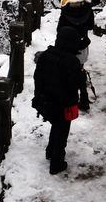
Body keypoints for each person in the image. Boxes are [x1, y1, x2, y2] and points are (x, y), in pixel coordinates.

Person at [32, 26, 86, 175]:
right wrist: (81, 75)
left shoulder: (46, 55)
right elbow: (76, 84)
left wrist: (38, 97)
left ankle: (50, 151)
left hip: (45, 102)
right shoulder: (72, 61)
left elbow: (37, 78)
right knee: (61, 131)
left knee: (55, 126)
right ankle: (57, 163)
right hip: (63, 105)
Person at [57, 0, 94, 111]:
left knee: (69, 72)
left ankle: (70, 98)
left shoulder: (65, 12)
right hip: (82, 45)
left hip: (68, 48)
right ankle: (84, 98)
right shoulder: (88, 10)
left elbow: (60, 29)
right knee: (80, 70)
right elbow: (91, 26)